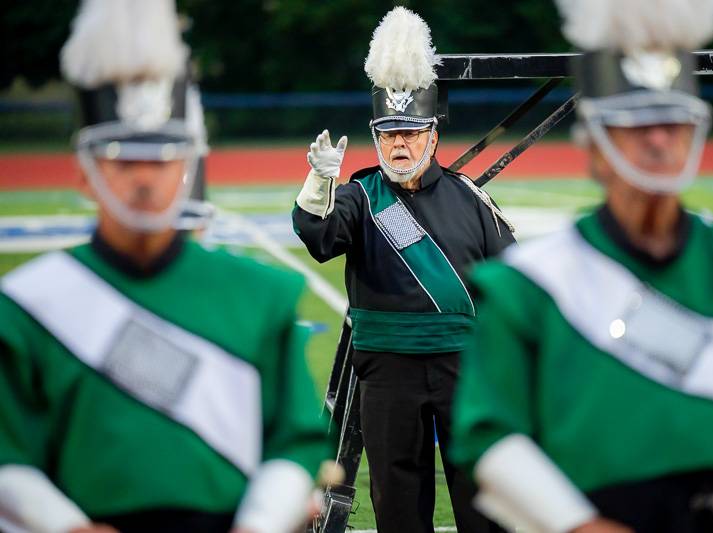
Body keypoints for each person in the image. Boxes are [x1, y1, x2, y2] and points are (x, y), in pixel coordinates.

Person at [450, 0, 713, 532]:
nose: (657, 139)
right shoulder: (527, 285)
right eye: (633, 124)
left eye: (671, 120)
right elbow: (488, 437)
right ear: (593, 146)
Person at [0, 1, 331, 532]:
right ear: (84, 172)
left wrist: (262, 521)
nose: (145, 178)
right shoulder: (25, 307)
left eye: (162, 157)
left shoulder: (261, 294)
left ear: (186, 167)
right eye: (122, 158)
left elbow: (294, 441)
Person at [292, 7, 514, 533]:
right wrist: (319, 184)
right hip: (386, 372)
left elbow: (511, 284)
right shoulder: (358, 196)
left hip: (465, 370)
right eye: (389, 132)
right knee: (398, 504)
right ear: (376, 135)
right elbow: (320, 238)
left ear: (433, 135)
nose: (399, 144)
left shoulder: (471, 199)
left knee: (483, 503)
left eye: (411, 132)